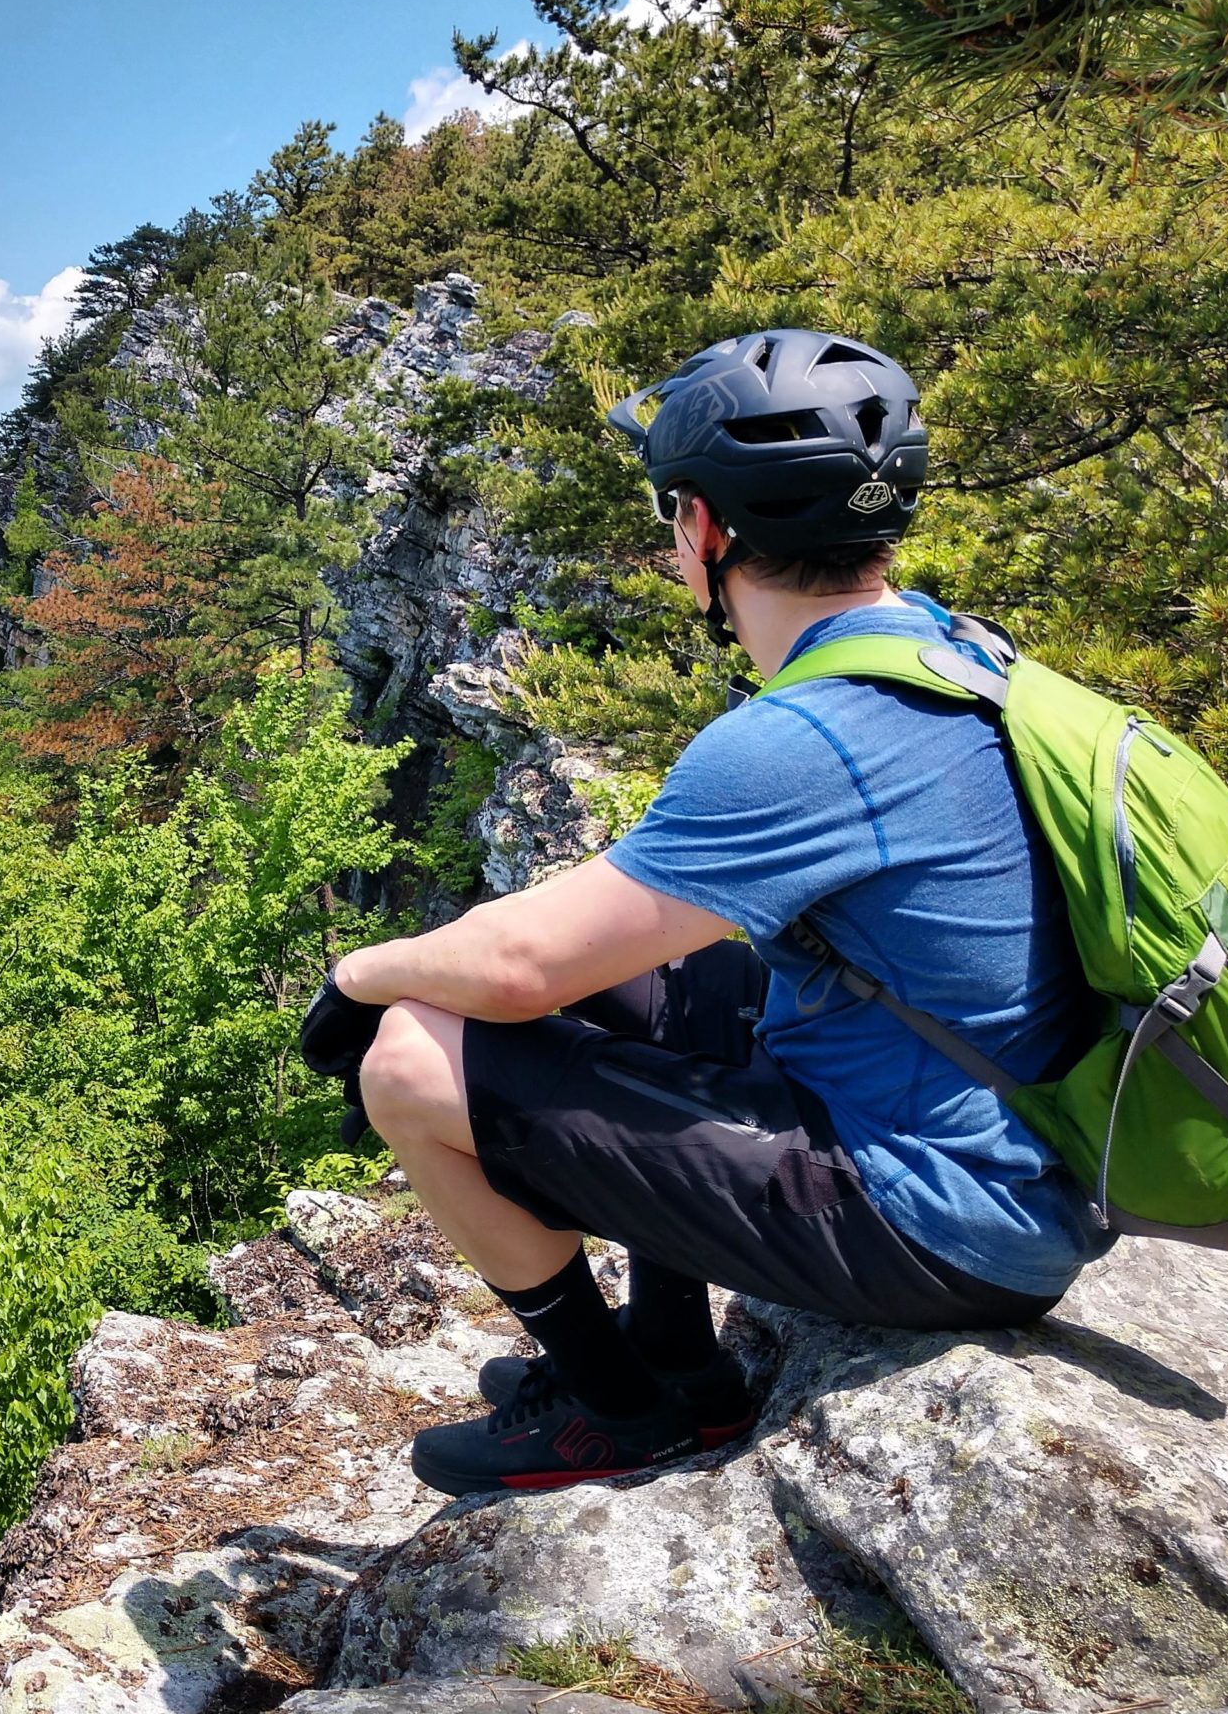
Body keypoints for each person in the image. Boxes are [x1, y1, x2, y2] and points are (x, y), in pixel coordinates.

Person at [300, 328, 1107, 1498]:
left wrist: (362, 974)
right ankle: (672, 1350)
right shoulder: (951, 653)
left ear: (703, 528)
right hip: (1012, 1150)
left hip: (942, 1224)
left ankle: (615, 1409)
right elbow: (582, 952)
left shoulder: (802, 736)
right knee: (655, 985)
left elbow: (520, 970)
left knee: (410, 1062)